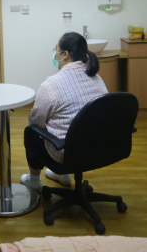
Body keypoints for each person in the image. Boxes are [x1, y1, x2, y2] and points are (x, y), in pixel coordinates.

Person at [20, 32, 108, 192]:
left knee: (31, 132)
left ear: (65, 54)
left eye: (56, 49)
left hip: (66, 154)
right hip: (99, 149)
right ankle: (63, 175)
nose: (55, 54)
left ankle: (33, 181)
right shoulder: (97, 79)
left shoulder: (51, 85)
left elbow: (36, 122)